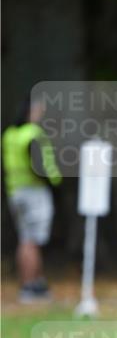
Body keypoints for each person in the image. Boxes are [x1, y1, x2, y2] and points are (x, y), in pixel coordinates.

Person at [2, 95, 61, 302]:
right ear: (30, 111)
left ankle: (35, 281)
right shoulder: (32, 134)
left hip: (15, 191)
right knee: (32, 240)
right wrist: (52, 182)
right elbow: (39, 166)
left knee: (25, 238)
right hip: (34, 192)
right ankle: (30, 285)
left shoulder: (10, 135)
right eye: (39, 110)